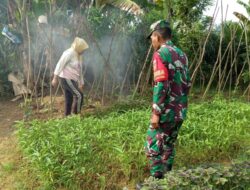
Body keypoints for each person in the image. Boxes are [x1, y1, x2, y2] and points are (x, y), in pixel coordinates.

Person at [144, 20, 191, 180]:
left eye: (151, 37)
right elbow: (187, 83)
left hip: (165, 112)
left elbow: (161, 84)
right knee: (169, 145)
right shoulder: (182, 55)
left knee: (152, 145)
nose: (151, 41)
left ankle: (156, 182)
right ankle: (167, 181)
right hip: (180, 111)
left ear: (157, 36)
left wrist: (156, 112)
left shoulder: (160, 54)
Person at [52, 37, 89, 116]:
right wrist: (55, 78)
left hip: (72, 79)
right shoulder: (69, 53)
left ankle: (67, 116)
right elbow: (60, 64)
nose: (84, 51)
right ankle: (76, 114)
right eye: (83, 49)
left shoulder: (79, 55)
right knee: (79, 95)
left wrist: (81, 83)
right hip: (66, 78)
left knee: (69, 98)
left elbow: (79, 70)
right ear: (79, 47)